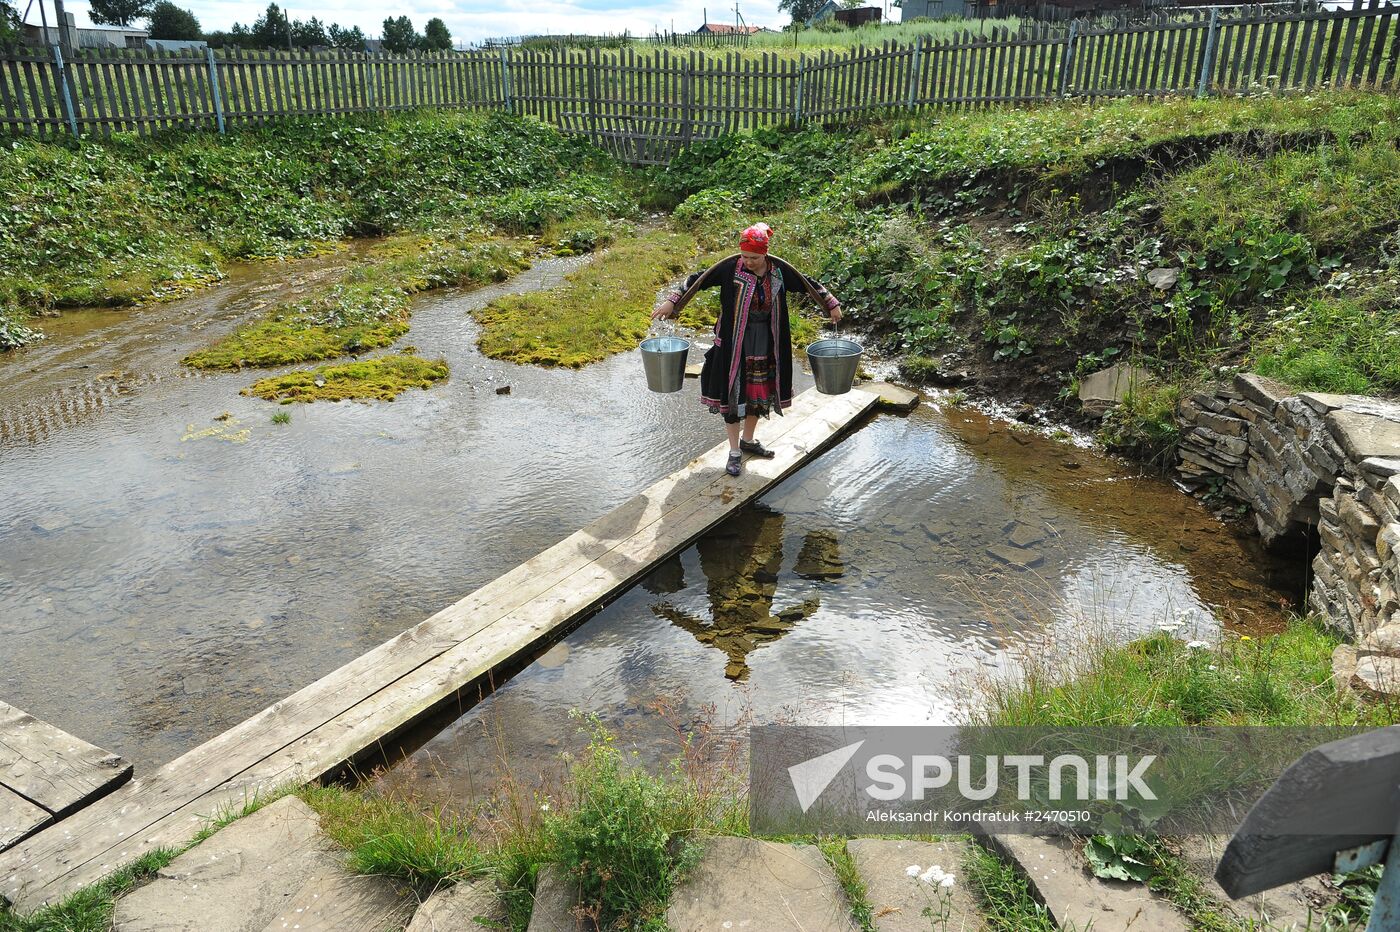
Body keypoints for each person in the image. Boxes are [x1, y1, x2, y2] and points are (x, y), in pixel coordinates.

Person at [652, 223, 842, 476]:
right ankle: (733, 452)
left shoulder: (779, 271)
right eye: (744, 256)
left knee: (757, 392)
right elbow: (696, 280)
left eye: (753, 257)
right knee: (732, 394)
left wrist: (831, 305)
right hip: (733, 342)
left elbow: (808, 283)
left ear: (764, 253)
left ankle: (748, 440)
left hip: (767, 340)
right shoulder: (730, 267)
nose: (748, 261)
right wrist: (671, 301)